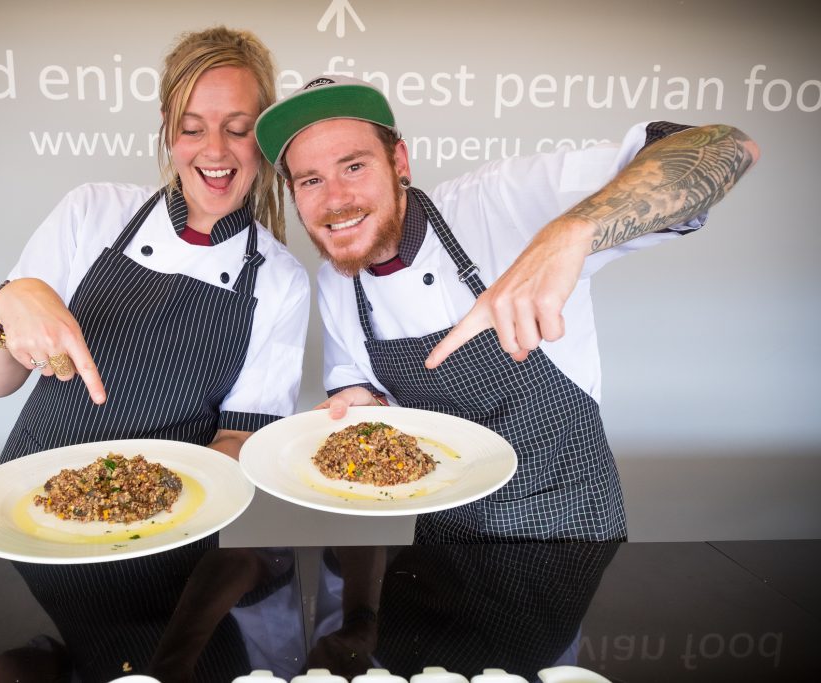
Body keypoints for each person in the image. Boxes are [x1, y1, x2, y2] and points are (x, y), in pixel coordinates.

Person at [255, 75, 758, 542]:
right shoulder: (336, 280)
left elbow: (727, 147)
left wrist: (569, 233)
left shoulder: (503, 202)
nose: (335, 199)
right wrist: (366, 408)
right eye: (310, 180)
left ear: (400, 162)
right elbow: (366, 392)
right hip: (441, 532)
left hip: (565, 526)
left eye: (354, 166)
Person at [0, 27, 310, 463]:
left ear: (261, 136)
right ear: (168, 128)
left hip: (174, 515)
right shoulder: (90, 211)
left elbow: (241, 441)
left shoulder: (282, 280)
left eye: (237, 130)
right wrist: (9, 303)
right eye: (192, 128)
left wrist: (145, 494)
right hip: (33, 492)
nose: (216, 151)